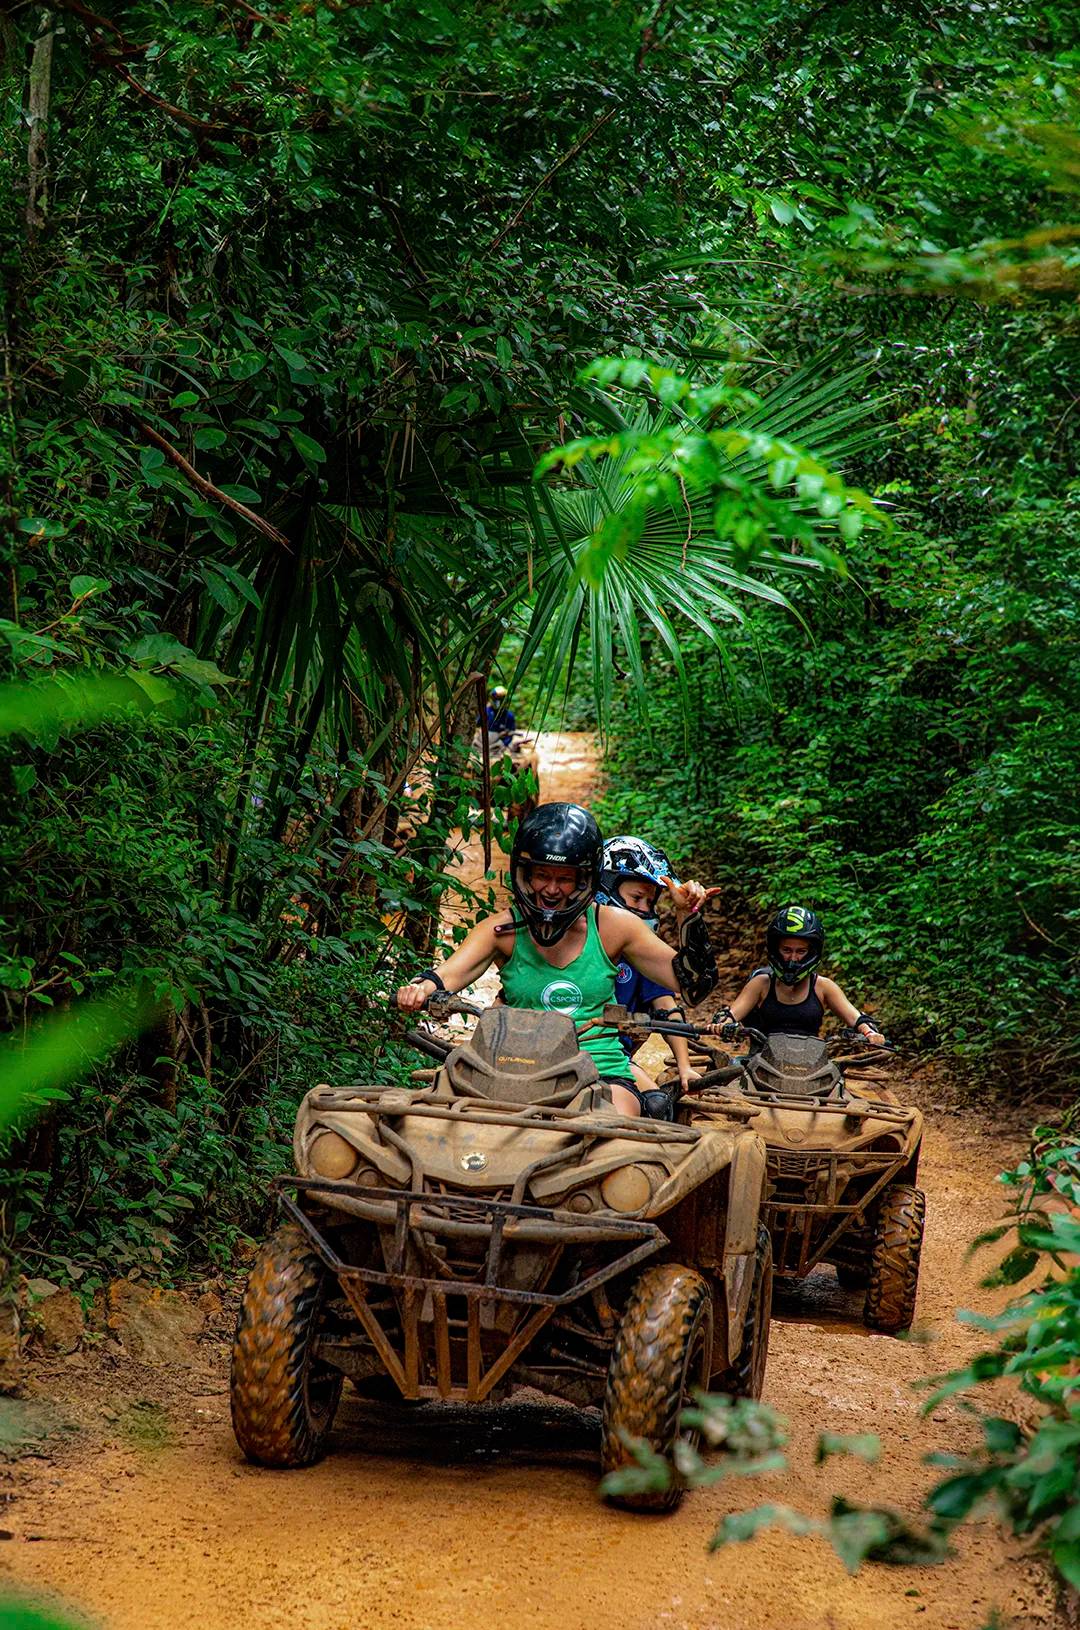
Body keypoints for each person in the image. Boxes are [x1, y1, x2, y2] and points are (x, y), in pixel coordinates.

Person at [395, 802, 718, 1118]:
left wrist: (686, 915)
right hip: (510, 1068)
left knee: (610, 1130)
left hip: (600, 1072)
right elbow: (445, 975)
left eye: (564, 878)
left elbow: (692, 985)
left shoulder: (615, 926)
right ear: (524, 874)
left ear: (584, 879)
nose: (551, 889)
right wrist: (419, 989)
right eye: (541, 875)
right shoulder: (501, 929)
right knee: (446, 1124)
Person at [596, 835, 704, 1113]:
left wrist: (684, 1066)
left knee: (657, 1106)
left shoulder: (641, 957)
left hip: (611, 1060)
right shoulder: (570, 939)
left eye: (650, 901)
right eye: (636, 898)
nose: (645, 908)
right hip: (555, 1052)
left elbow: (667, 1009)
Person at [723, 905, 885, 1044]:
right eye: (786, 950)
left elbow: (855, 1018)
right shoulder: (761, 983)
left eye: (801, 951)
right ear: (776, 949)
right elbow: (731, 1014)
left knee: (839, 1081)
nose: (793, 958)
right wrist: (723, 1024)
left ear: (811, 952)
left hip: (812, 1065)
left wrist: (869, 1033)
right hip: (760, 1063)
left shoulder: (824, 986)